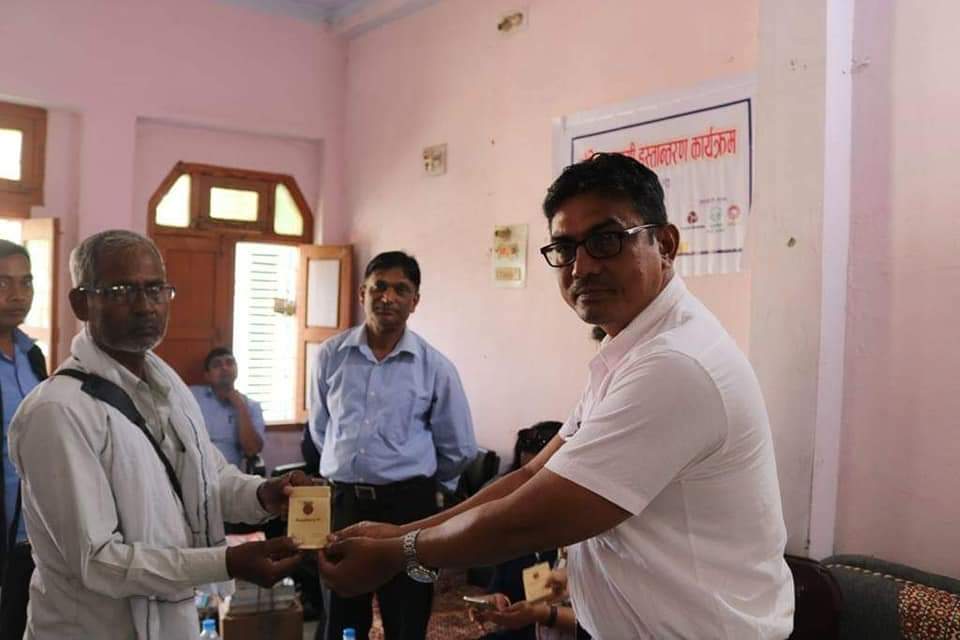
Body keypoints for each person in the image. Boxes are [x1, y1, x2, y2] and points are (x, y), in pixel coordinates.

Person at [317, 153, 795, 639]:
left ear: (665, 244)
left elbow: (532, 519)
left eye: (606, 241)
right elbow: (531, 475)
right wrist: (399, 535)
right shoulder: (628, 350)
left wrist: (399, 551)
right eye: (565, 248)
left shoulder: (675, 363)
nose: (582, 267)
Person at [9, 229, 308, 639]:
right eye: (121, 291)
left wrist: (264, 495)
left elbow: (207, 479)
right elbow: (98, 561)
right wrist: (226, 563)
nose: (145, 305)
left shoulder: (168, 386)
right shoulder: (57, 411)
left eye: (155, 289)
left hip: (171, 624)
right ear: (81, 302)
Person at [308, 250, 478, 640]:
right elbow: (320, 430)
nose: (388, 297)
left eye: (401, 290)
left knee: (407, 616)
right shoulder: (331, 356)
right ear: (362, 293)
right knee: (341, 618)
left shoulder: (434, 367)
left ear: (415, 301)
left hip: (408, 510)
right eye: (379, 287)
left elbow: (459, 448)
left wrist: (421, 487)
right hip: (344, 504)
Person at [0, 240, 47, 639]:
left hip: (34, 534)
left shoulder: (33, 356)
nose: (18, 295)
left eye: (26, 282)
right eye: (3, 283)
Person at [191, 347, 266, 472]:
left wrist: (240, 407)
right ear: (207, 375)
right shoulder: (192, 396)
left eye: (229, 363)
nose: (224, 368)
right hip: (195, 468)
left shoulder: (251, 406)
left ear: (236, 370)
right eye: (217, 365)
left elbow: (252, 450)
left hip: (227, 474)